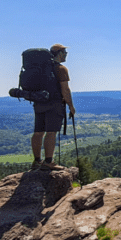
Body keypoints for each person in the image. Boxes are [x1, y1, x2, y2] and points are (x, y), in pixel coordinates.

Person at [30, 43, 77, 171]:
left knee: (38, 132)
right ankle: (49, 162)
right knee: (51, 133)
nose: (66, 55)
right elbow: (65, 90)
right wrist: (71, 107)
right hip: (54, 104)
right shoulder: (61, 69)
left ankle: (37, 161)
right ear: (59, 54)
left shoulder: (40, 69)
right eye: (65, 53)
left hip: (39, 103)